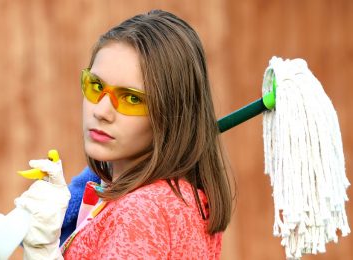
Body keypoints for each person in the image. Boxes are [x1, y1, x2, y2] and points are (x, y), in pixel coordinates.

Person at [15, 9, 233, 259]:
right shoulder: (178, 199)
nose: (101, 111)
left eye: (131, 98)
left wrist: (42, 252)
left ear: (172, 112)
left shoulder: (141, 212)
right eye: (96, 86)